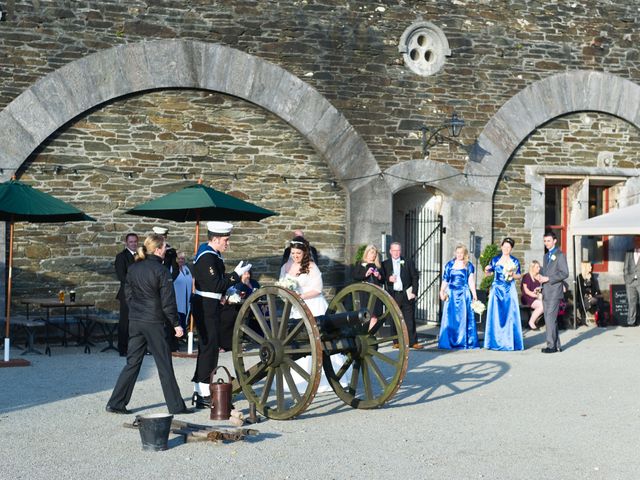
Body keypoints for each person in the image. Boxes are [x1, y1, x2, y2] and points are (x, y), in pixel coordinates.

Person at [106, 234, 191, 415]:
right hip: (153, 321)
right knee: (164, 364)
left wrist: (136, 309)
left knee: (132, 363)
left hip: (136, 320)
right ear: (158, 249)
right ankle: (176, 406)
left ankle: (116, 402)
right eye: (165, 247)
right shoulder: (161, 271)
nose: (167, 250)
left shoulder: (134, 267)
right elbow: (168, 301)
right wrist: (176, 324)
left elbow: (127, 293)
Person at [191, 221, 251, 409]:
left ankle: (201, 391)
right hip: (206, 306)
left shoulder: (213, 254)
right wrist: (235, 275)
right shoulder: (207, 257)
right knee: (208, 349)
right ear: (215, 239)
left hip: (211, 304)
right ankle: (202, 394)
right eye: (225, 240)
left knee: (209, 349)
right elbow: (215, 285)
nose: (228, 243)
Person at [279, 236, 349, 392]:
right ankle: (297, 380)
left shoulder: (311, 267)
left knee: (317, 338)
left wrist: (300, 297)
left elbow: (317, 289)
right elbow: (281, 285)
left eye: (298, 253)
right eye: (293, 252)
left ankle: (324, 378)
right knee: (295, 339)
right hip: (294, 308)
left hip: (313, 305)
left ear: (305, 253)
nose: (295, 255)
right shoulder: (285, 266)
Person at [483, 237, 524, 351]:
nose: (506, 249)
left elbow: (519, 275)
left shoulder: (514, 261)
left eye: (509, 247)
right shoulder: (495, 260)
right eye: (504, 246)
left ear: (511, 249)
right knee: (495, 315)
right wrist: (486, 270)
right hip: (496, 289)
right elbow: (489, 274)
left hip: (509, 289)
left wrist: (512, 275)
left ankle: (509, 341)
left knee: (510, 314)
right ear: (501, 247)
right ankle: (494, 341)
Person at [382, 242, 422, 349]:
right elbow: (381, 278)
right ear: (390, 251)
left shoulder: (408, 262)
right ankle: (396, 341)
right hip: (393, 294)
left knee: (409, 318)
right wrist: (388, 279)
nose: (396, 252)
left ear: (401, 251)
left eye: (398, 250)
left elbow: (415, 277)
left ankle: (413, 342)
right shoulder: (385, 264)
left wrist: (414, 292)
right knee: (394, 318)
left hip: (406, 294)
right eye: (394, 250)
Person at [438, 245, 479, 350]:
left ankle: (464, 342)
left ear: (465, 254)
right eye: (458, 252)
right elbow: (445, 280)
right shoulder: (449, 265)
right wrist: (442, 291)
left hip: (464, 294)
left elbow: (471, 281)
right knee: (450, 317)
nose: (459, 254)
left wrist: (474, 295)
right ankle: (449, 341)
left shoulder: (469, 265)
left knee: (463, 318)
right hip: (451, 294)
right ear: (455, 253)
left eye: (461, 252)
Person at [538, 231, 569, 353]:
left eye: (548, 241)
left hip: (555, 292)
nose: (546, 243)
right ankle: (557, 345)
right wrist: (541, 285)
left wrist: (549, 279)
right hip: (546, 291)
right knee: (549, 319)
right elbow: (545, 274)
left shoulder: (560, 255)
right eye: (545, 241)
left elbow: (564, 273)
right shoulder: (545, 256)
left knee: (550, 318)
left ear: (555, 241)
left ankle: (551, 346)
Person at [219, 269, 261, 352]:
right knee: (228, 318)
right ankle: (225, 345)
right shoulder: (238, 284)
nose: (247, 275)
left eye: (248, 273)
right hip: (236, 307)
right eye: (245, 274)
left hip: (251, 307)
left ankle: (237, 344)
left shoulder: (254, 283)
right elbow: (232, 296)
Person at [114, 232, 138, 357]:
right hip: (127, 293)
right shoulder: (121, 257)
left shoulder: (141, 256)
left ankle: (137, 347)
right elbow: (121, 276)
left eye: (135, 241)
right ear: (126, 243)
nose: (133, 244)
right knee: (125, 321)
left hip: (140, 294)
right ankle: (122, 348)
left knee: (138, 321)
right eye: (131, 242)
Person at [352, 244, 384, 330]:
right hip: (365, 294)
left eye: (375, 253)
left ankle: (370, 336)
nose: (373, 255)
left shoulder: (378, 265)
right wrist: (366, 274)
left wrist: (379, 276)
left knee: (375, 317)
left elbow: (383, 280)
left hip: (376, 293)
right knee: (367, 315)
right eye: (371, 253)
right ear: (367, 253)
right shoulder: (360, 264)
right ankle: (367, 336)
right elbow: (355, 276)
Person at [576, 261, 607, 326]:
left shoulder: (591, 276)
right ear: (585, 267)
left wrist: (592, 294)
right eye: (589, 266)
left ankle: (601, 320)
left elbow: (594, 288)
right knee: (595, 300)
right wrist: (588, 294)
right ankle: (600, 320)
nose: (591, 267)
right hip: (584, 298)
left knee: (600, 300)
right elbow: (580, 290)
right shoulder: (579, 277)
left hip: (591, 297)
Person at [622, 235, 640, 327]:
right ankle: (631, 321)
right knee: (631, 302)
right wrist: (626, 279)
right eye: (635, 240)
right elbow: (625, 267)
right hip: (630, 281)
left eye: (638, 240)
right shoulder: (629, 252)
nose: (636, 242)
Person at [173, 251, 193, 331]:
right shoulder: (173, 269)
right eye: (179, 258)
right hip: (176, 299)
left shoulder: (186, 269)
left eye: (183, 259)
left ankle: (182, 336)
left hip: (186, 298)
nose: (181, 260)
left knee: (185, 317)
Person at [521, 260, 544, 330]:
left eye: (539, 267)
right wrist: (535, 296)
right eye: (537, 267)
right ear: (532, 268)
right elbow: (526, 291)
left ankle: (539, 320)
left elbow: (541, 288)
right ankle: (531, 322)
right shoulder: (527, 276)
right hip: (527, 297)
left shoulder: (539, 276)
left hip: (536, 296)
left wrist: (539, 290)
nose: (539, 269)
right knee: (542, 305)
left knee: (547, 303)